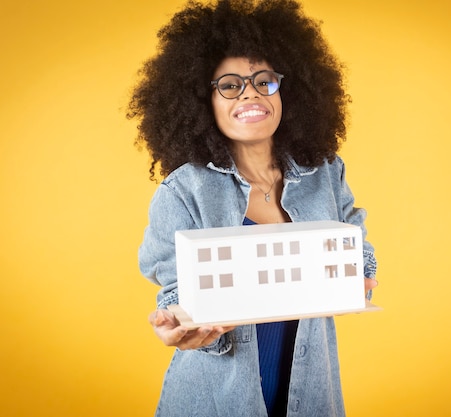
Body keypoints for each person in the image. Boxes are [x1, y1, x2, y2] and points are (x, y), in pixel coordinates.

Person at [127, 0, 377, 415]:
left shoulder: (326, 173)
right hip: (216, 399)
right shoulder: (182, 192)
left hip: (311, 393)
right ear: (201, 99)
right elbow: (178, 293)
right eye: (230, 85)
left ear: (287, 90)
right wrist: (184, 326)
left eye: (265, 81)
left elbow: (356, 245)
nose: (251, 94)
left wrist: (360, 274)